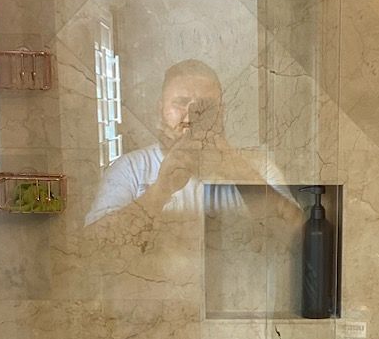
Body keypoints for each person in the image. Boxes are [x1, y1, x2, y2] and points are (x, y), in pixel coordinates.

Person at [85, 58, 257, 234]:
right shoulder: (130, 169)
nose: (191, 118)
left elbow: (286, 237)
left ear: (221, 112)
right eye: (181, 103)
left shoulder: (255, 167)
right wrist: (160, 190)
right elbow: (91, 249)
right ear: (161, 109)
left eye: (206, 106)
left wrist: (240, 172)